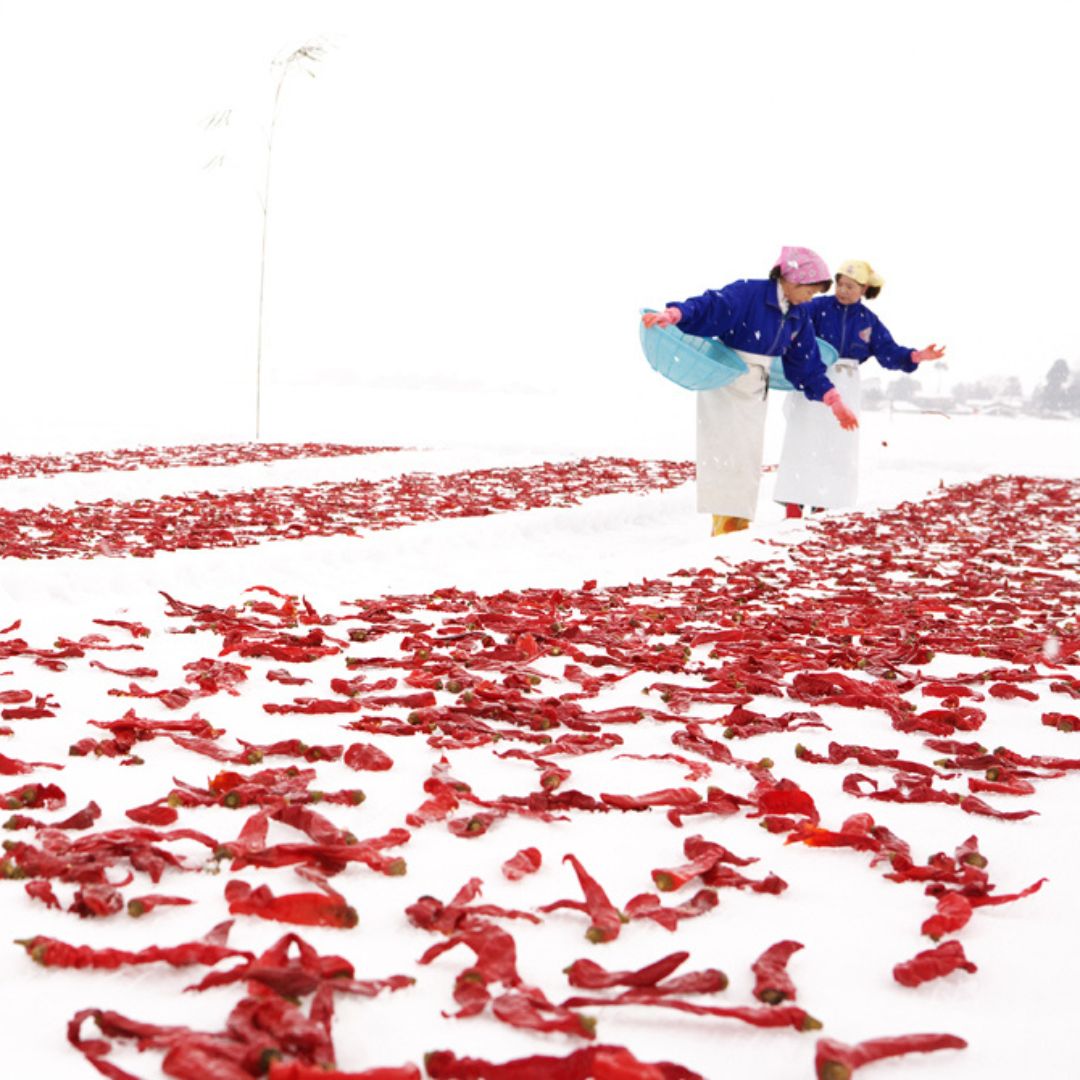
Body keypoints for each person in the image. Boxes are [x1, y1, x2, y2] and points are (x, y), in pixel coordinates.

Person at [642, 247, 857, 536]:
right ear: (793, 280)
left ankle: (736, 526)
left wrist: (833, 399)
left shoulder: (797, 316)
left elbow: (806, 364)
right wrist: (675, 313)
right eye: (810, 291)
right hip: (727, 380)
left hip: (757, 387)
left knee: (747, 459)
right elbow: (711, 305)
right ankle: (726, 527)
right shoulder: (750, 294)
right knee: (726, 455)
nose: (811, 298)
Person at [773, 259, 945, 516]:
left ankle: (826, 503)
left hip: (847, 382)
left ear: (864, 289)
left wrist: (916, 356)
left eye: (850, 286)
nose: (842, 290)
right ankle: (794, 504)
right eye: (840, 284)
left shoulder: (868, 321)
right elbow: (790, 323)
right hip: (813, 375)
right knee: (803, 440)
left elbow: (889, 352)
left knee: (838, 445)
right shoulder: (816, 307)